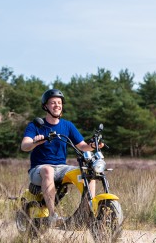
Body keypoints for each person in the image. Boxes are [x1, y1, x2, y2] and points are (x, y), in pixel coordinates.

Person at [20, 89, 98, 226]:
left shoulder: (67, 125)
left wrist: (93, 145)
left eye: (59, 102)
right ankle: (52, 215)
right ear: (45, 106)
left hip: (61, 168)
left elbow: (82, 146)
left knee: (90, 173)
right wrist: (34, 142)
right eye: (53, 103)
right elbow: (24, 146)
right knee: (48, 170)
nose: (57, 105)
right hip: (39, 169)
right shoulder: (36, 125)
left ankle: (87, 212)